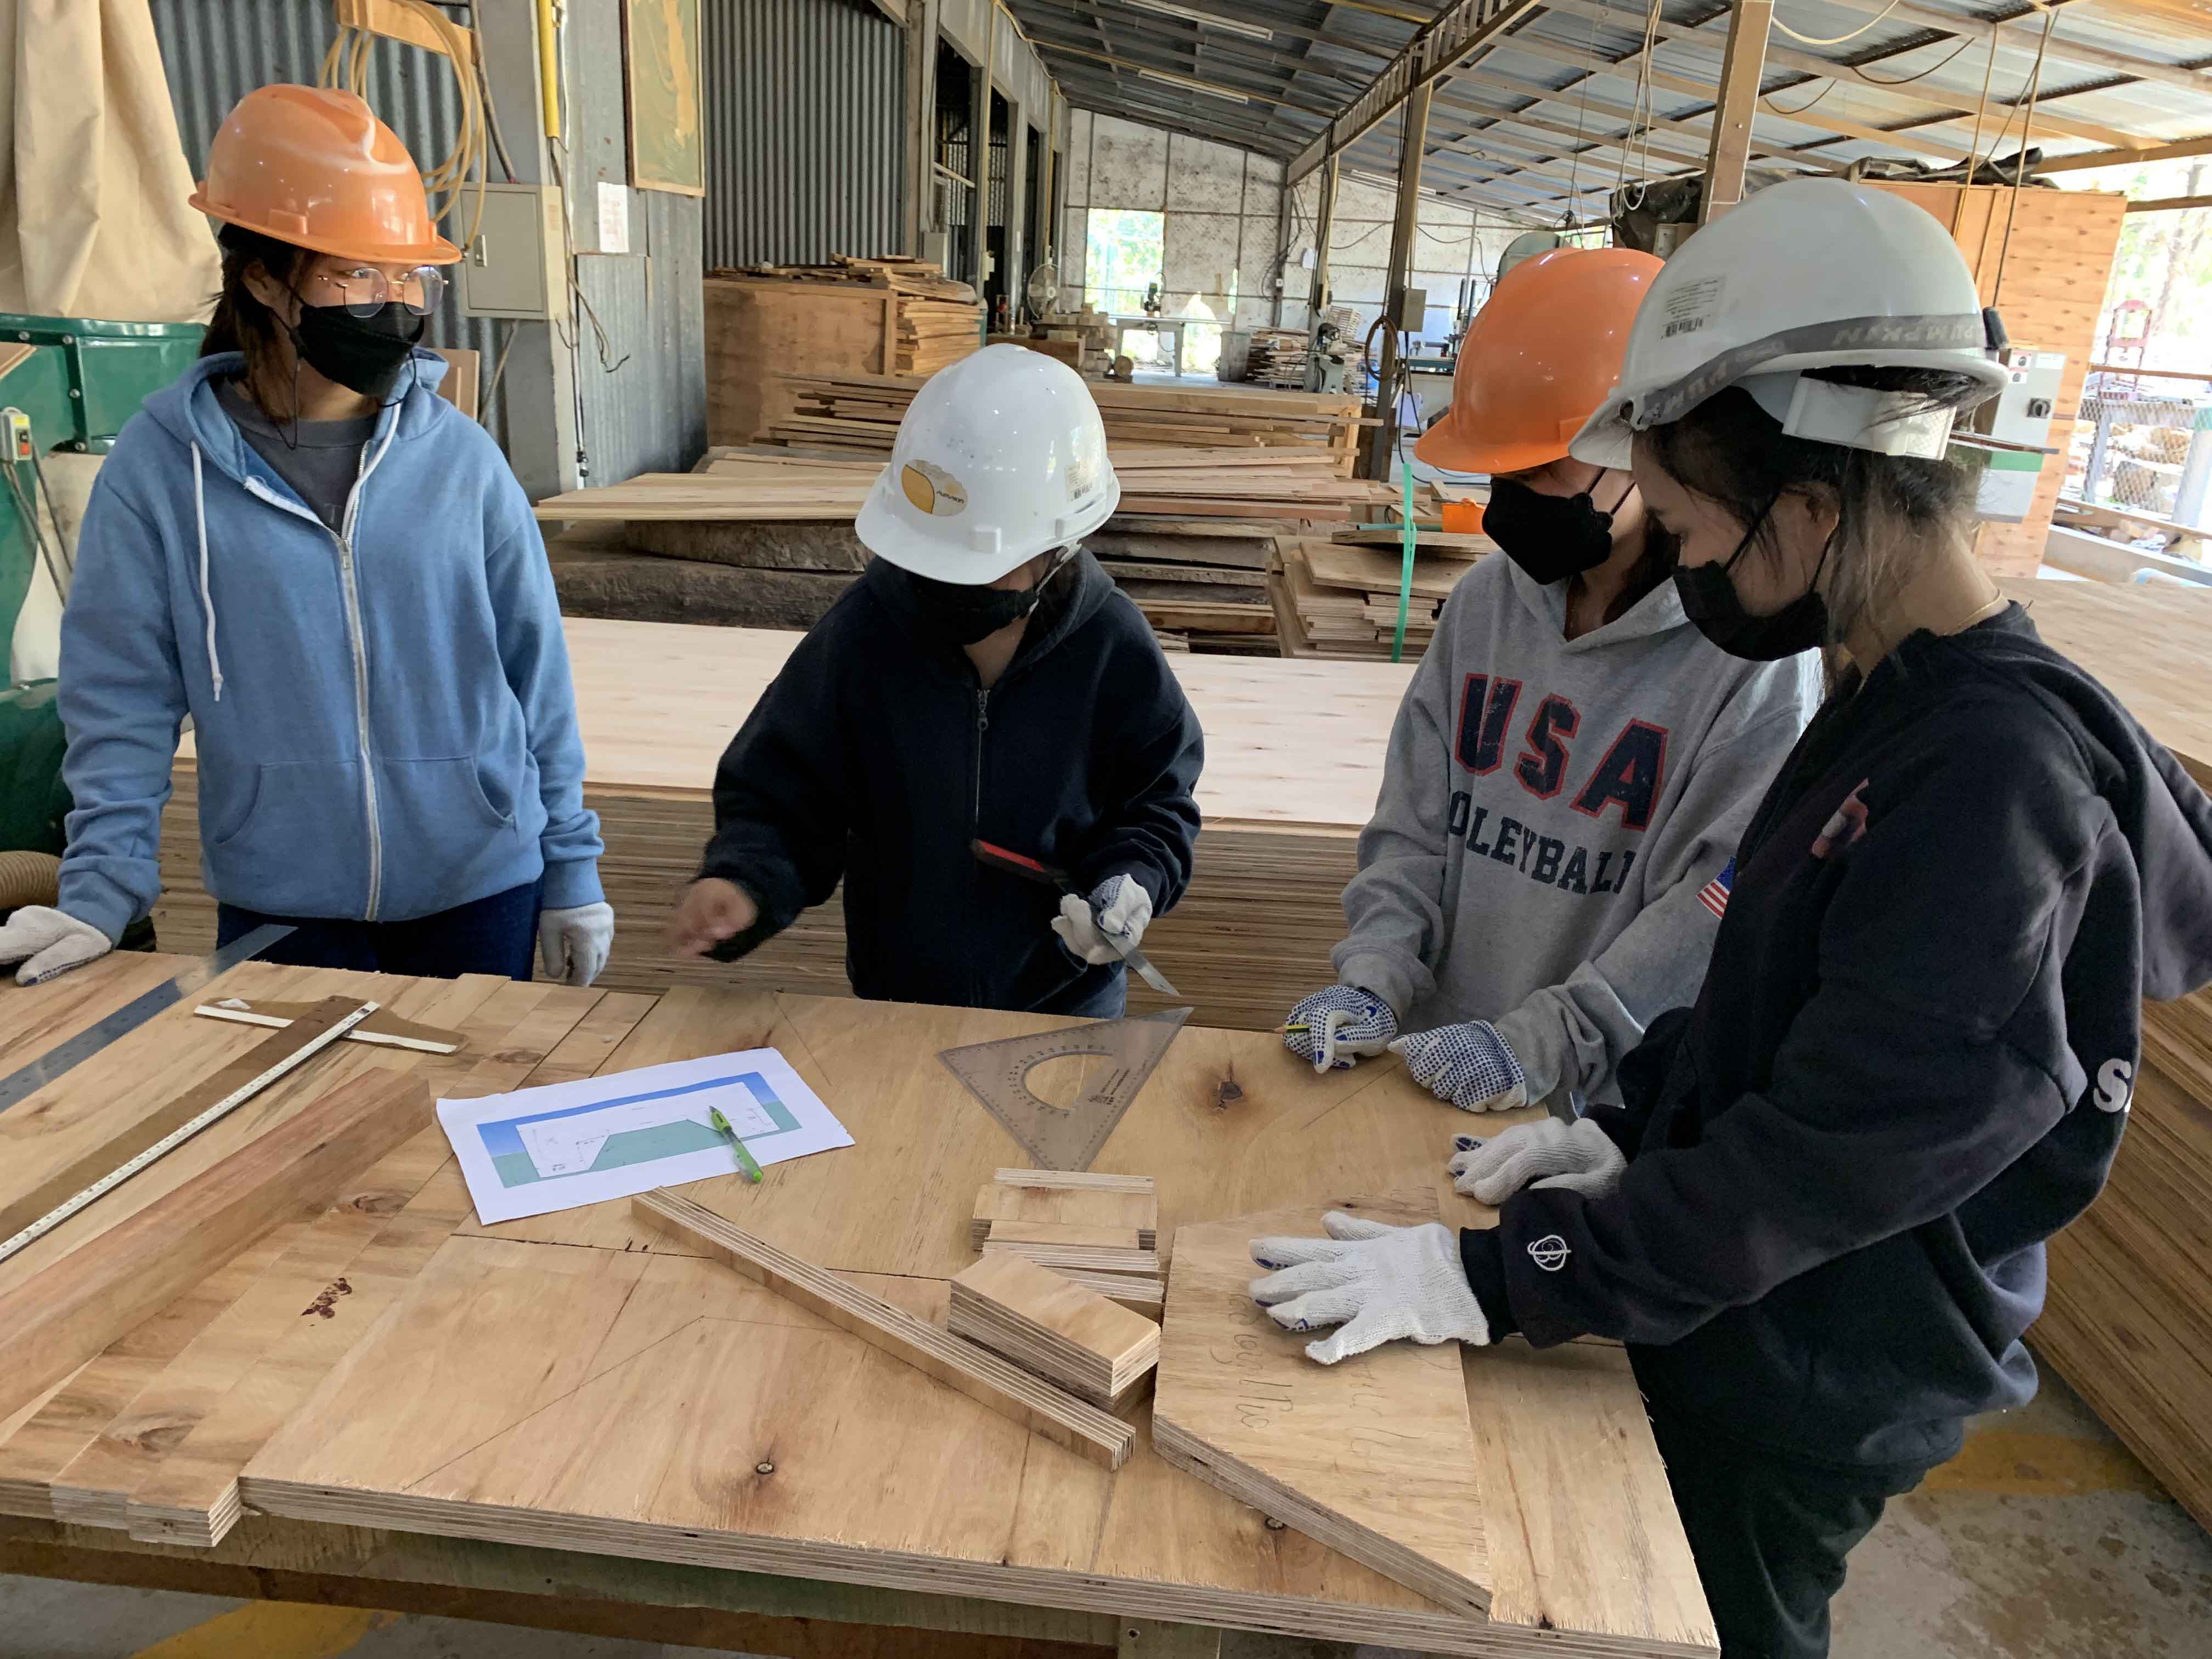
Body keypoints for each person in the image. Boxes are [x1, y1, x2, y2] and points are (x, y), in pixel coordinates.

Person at [1244, 178, 2212, 1659]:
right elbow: (1784, 986)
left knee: (1717, 1628)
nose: (1687, 564)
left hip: (1820, 1366)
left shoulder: (1988, 783)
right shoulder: (1892, 702)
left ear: (1815, 507)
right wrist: (1635, 1120)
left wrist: (1503, 1275)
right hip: (1746, 1305)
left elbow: (1845, 1145)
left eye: (1695, 525)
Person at [0, 85, 610, 988]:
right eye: (354, 275)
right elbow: (120, 703)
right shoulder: (163, 471)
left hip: (480, 888)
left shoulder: (464, 464)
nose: (392, 302)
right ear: (263, 279)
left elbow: (537, 682)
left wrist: (571, 867)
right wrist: (103, 885)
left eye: (409, 276)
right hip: (284, 899)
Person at [1281, 248, 1819, 1122]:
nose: (1514, 498)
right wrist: (1377, 973)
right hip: (1426, 1066)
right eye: (1503, 471)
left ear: (1647, 447)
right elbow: (1414, 822)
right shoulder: (1487, 606)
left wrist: (1545, 1044)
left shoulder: (1751, 667)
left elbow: (1709, 912)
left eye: (1543, 468)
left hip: (1589, 1112)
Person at [668, 344, 1202, 1017]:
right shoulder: (865, 636)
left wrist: (1132, 881)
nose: (952, 585)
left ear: (1056, 548)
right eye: (936, 564)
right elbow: (786, 788)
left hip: (1067, 1001)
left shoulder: (1111, 648)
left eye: (982, 566)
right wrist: (745, 879)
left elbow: (1157, 801)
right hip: (897, 1004)